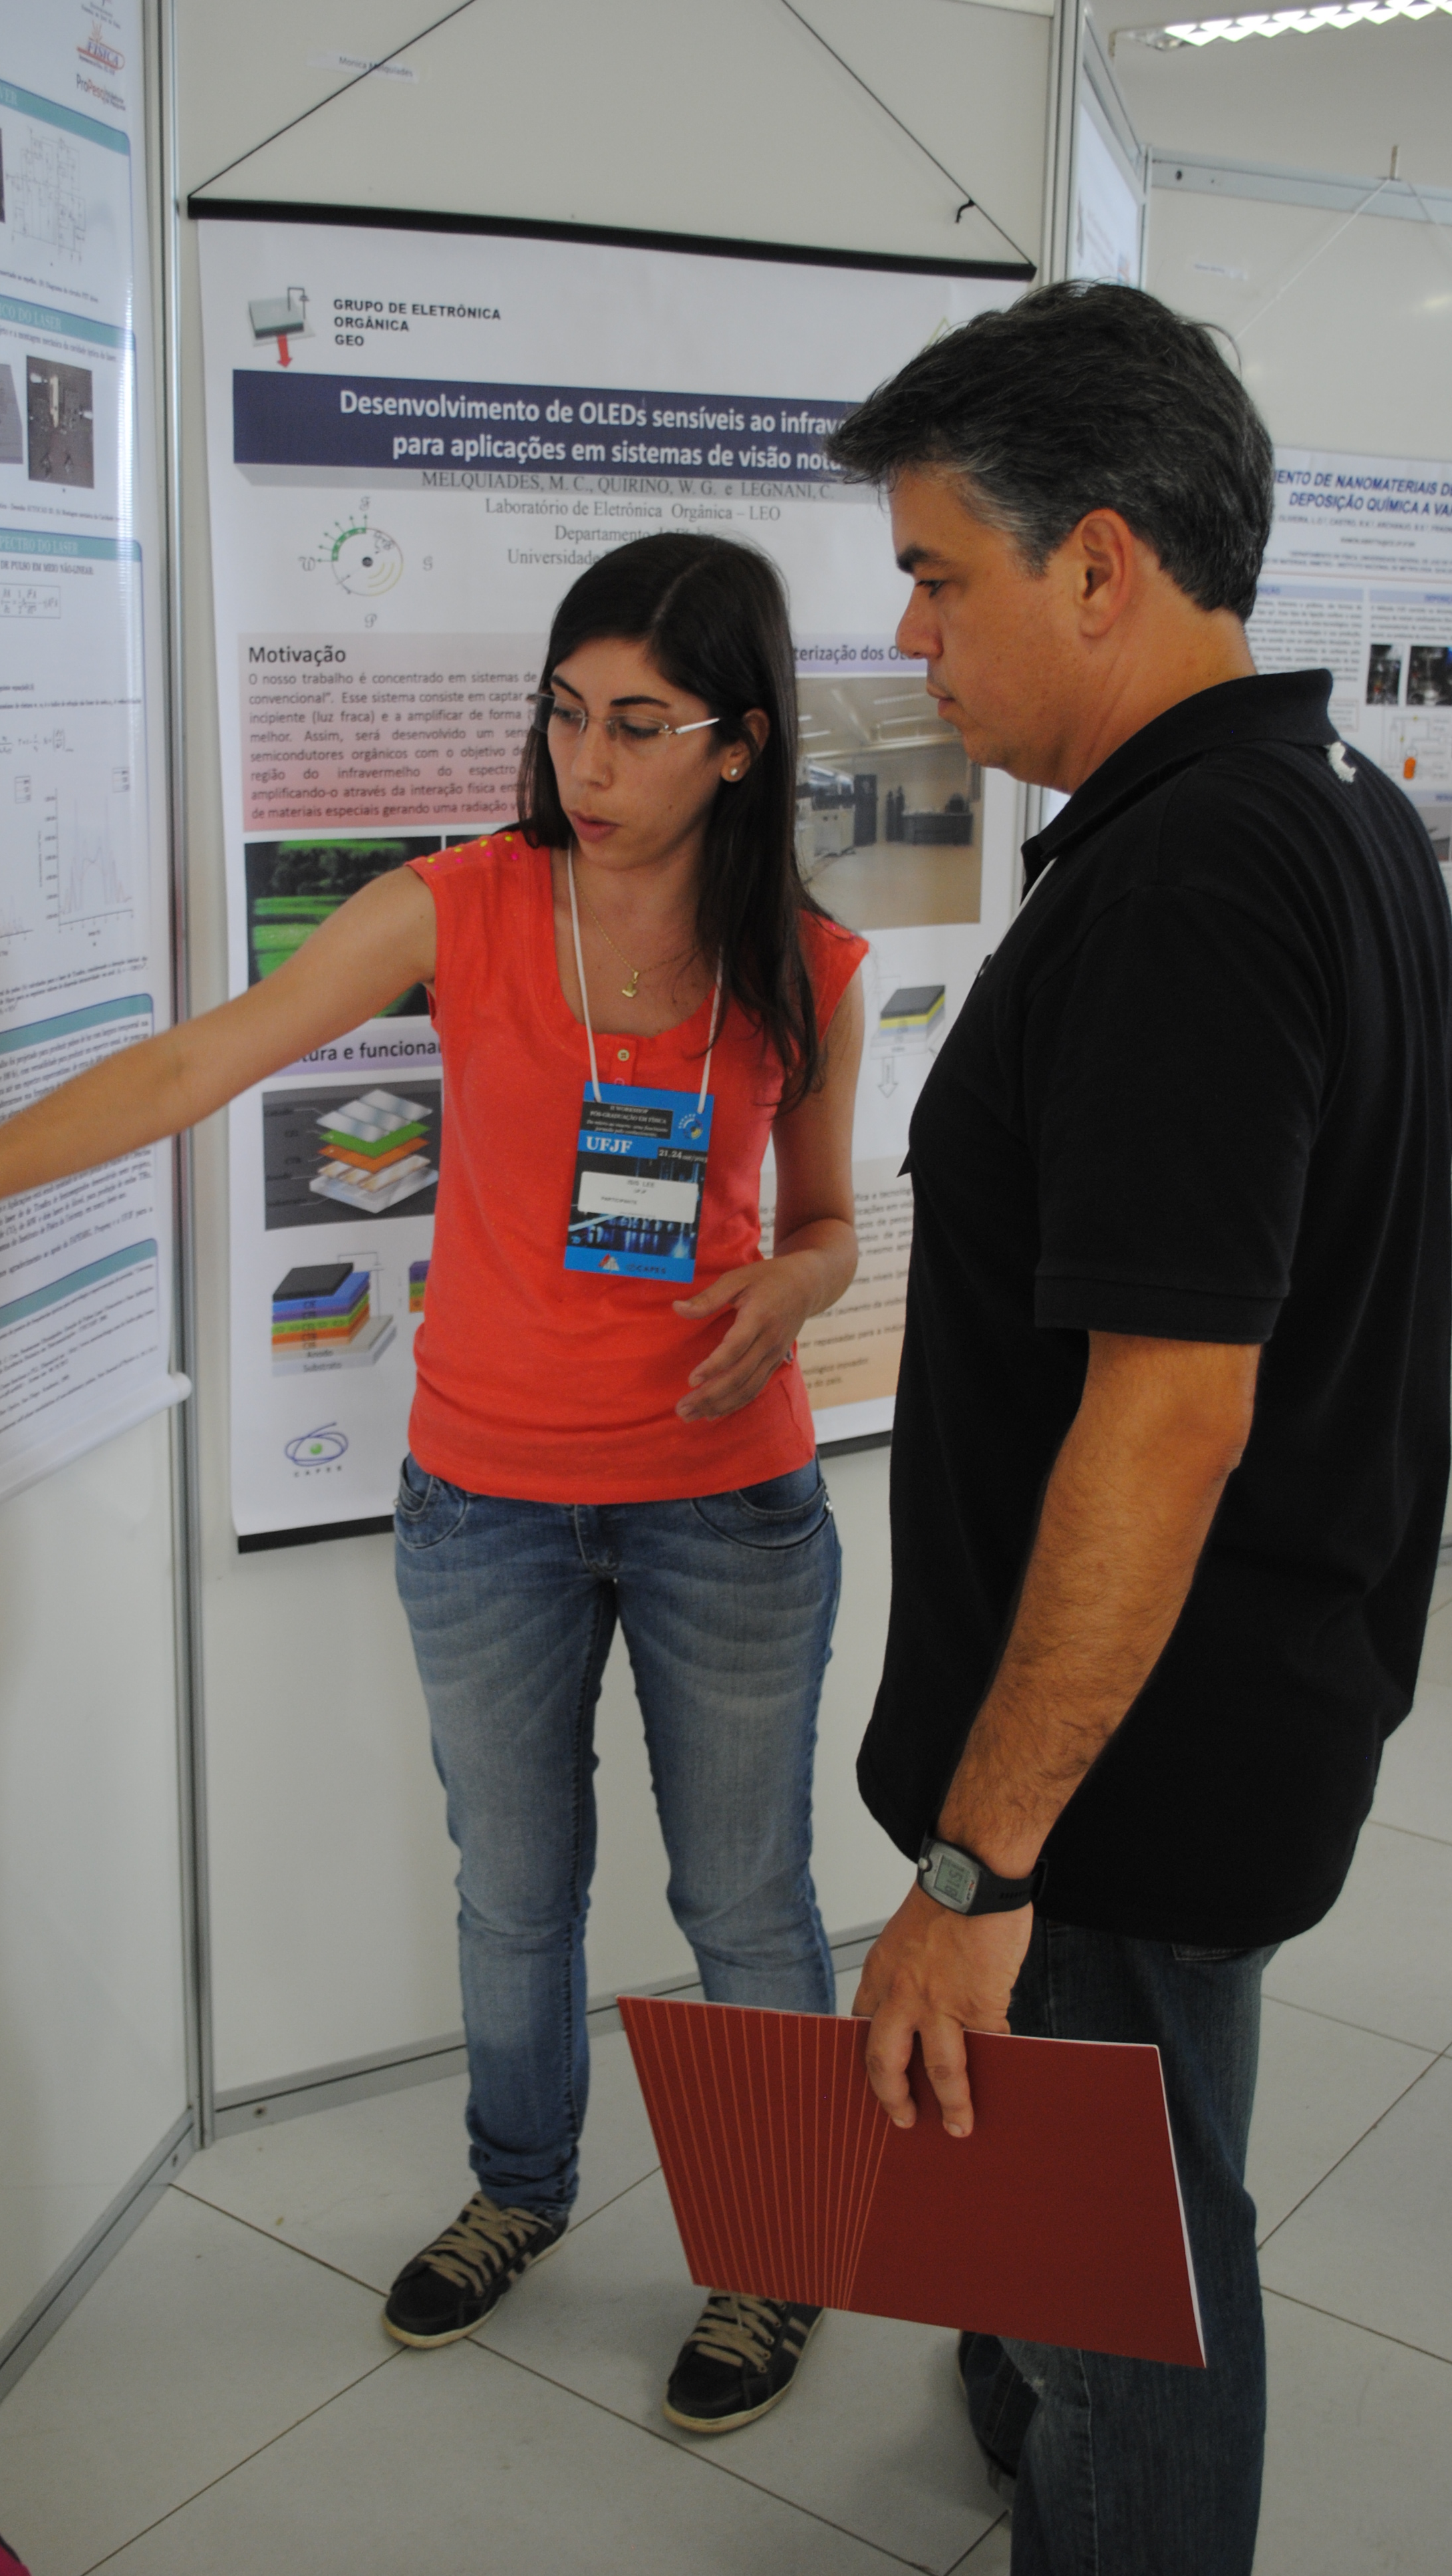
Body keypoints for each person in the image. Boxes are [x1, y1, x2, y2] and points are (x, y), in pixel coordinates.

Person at [0, 533, 867, 2437]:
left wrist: (803, 1282)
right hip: (485, 1501)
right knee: (513, 1893)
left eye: (640, 725)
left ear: (740, 744)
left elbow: (828, 1218)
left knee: (745, 1900)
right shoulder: (461, 905)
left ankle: (778, 2247)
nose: (587, 762)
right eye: (565, 715)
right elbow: (196, 1065)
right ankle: (520, 2190)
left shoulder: (803, 963)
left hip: (725, 1507)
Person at [826, 283, 1451, 2575]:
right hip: (1246, 1694)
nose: (913, 636)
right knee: (1104, 2221)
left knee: (1137, 2296)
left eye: (937, 575)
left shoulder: (1198, 876)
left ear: (1098, 563)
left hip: (1126, 1771)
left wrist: (978, 1874)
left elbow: (1172, 1414)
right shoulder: (1326, 807)